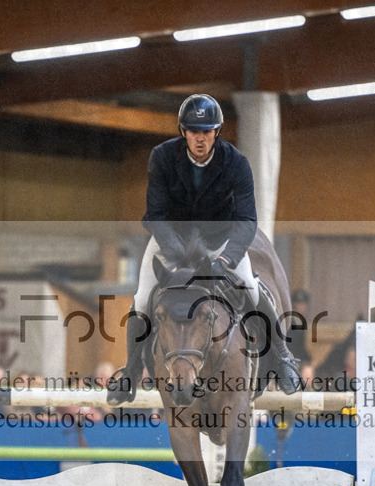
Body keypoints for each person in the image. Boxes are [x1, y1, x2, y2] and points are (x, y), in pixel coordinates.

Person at [107, 94, 301, 405]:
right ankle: (130, 374)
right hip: (171, 239)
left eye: (207, 131)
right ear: (183, 131)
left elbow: (247, 221)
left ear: (217, 131)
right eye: (195, 131)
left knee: (251, 288)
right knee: (142, 299)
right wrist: (179, 258)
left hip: (219, 241)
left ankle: (283, 359)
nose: (201, 138)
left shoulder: (236, 162)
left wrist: (225, 260)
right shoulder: (162, 157)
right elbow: (155, 215)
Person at [285, 289, 313, 368]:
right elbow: (291, 346)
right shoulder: (289, 321)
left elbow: (301, 346)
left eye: (303, 304)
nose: (301, 306)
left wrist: (308, 360)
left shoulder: (300, 322)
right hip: (289, 359)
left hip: (297, 359)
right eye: (298, 303)